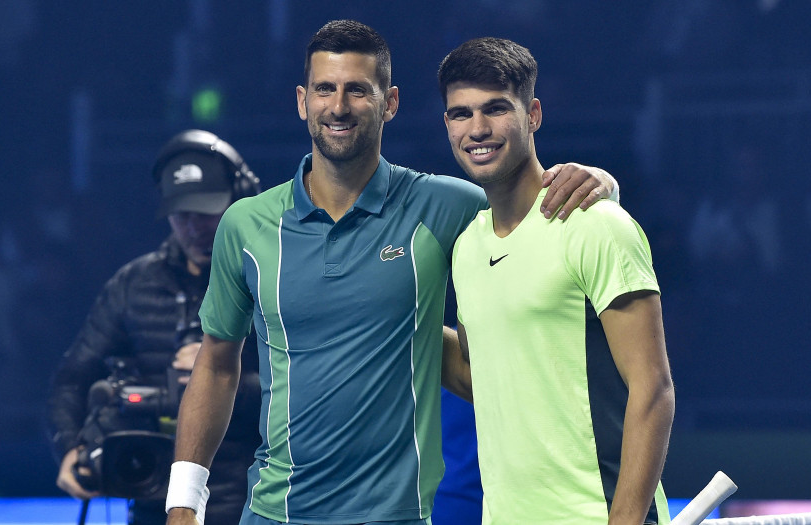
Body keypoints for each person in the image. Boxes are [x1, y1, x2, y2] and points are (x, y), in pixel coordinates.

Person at [165, 20, 618, 525]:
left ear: (390, 103)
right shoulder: (246, 225)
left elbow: (532, 207)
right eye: (324, 89)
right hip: (274, 512)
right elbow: (216, 363)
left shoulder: (446, 205)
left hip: (398, 516)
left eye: (358, 90)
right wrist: (184, 500)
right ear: (302, 101)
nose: (338, 106)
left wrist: (603, 182)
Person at [440, 37, 675, 524]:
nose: (477, 129)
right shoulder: (466, 248)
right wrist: (388, 321)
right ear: (447, 124)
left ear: (533, 114)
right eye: (461, 113)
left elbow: (652, 388)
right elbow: (482, 376)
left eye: (496, 108)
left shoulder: (596, 224)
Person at [48, 130, 263, 525]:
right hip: (152, 500)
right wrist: (70, 449)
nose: (195, 228)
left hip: (254, 504)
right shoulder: (134, 284)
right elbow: (73, 378)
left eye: (207, 213)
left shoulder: (270, 277)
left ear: (239, 201)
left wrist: (222, 371)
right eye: (183, 216)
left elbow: (306, 392)